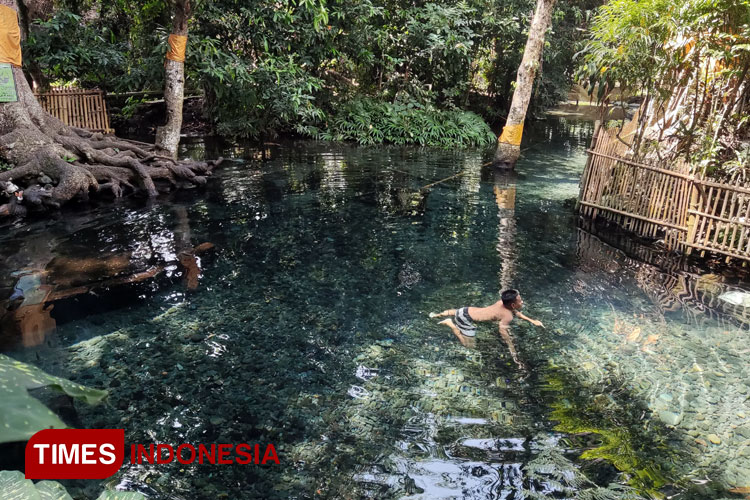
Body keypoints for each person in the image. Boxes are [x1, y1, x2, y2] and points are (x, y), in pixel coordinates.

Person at [430, 289, 544, 366]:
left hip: (465, 310)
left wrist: (531, 320)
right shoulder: (507, 316)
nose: (522, 301)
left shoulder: (502, 302)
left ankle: (437, 315)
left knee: (457, 312)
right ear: (513, 304)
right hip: (465, 318)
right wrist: (512, 350)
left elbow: (516, 312)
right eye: (520, 300)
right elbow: (503, 331)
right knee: (469, 346)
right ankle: (450, 323)